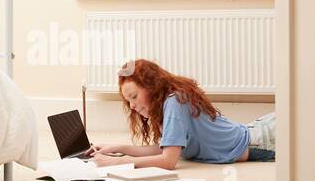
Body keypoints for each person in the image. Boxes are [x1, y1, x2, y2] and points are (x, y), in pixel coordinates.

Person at [89, 59, 276, 169]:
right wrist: (119, 148)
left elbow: (168, 160)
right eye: (128, 101)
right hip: (257, 131)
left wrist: (117, 163)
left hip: (263, 140)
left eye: (134, 97)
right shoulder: (169, 102)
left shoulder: (175, 101)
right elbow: (167, 149)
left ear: (151, 87)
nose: (132, 106)